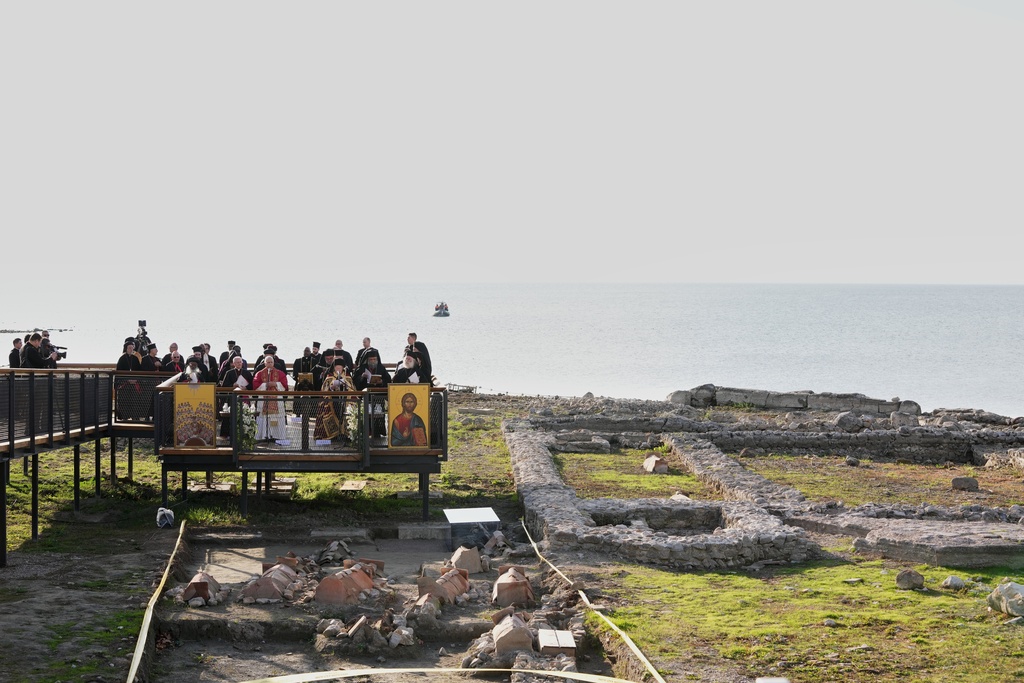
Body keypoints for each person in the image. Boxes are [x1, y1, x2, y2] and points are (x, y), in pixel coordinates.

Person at [313, 357, 354, 442]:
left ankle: (345, 434)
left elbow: (352, 389)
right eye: (336, 367)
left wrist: (346, 387)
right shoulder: (329, 377)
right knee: (326, 409)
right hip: (332, 401)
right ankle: (333, 434)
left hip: (345, 400)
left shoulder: (347, 377)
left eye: (340, 367)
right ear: (333, 368)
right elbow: (324, 390)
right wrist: (331, 388)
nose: (338, 369)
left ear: (343, 368)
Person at [253, 352, 288, 441]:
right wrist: (265, 385)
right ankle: (264, 435)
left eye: (271, 362)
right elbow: (255, 386)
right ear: (264, 363)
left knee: (277, 417)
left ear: (273, 363)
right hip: (263, 400)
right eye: (268, 362)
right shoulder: (259, 373)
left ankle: (277, 435)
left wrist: (275, 384)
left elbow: (284, 386)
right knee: (263, 418)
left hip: (277, 400)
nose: (269, 364)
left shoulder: (280, 373)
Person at [219, 355, 253, 438]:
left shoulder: (247, 373)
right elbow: (224, 386)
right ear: (233, 363)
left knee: (245, 415)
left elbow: (252, 385)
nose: (239, 364)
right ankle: (228, 434)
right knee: (230, 416)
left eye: (240, 362)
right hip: (232, 397)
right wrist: (232, 385)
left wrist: (246, 387)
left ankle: (246, 433)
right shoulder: (229, 373)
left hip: (243, 397)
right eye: (237, 362)